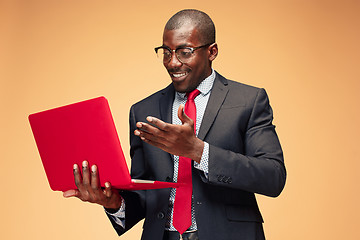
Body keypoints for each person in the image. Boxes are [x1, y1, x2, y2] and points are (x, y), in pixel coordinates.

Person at [63, 9, 286, 240]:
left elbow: (273, 177)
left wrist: (198, 151)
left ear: (212, 51)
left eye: (184, 52)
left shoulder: (248, 101)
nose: (172, 63)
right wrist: (113, 202)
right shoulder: (142, 110)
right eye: (166, 52)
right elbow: (144, 192)